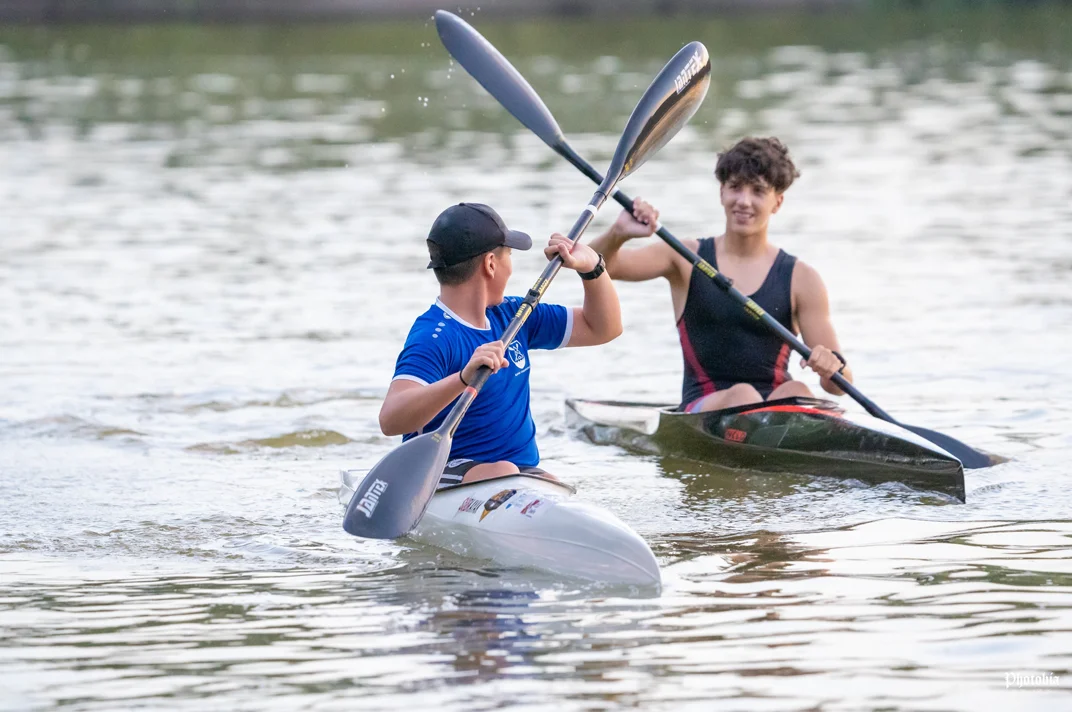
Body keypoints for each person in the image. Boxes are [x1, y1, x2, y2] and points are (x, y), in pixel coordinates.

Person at [588, 136, 853, 412]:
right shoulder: (684, 257)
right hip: (705, 404)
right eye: (735, 188)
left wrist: (833, 367)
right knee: (742, 396)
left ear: (777, 202)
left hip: (779, 408)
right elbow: (597, 264)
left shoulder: (802, 279)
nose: (744, 201)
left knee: (798, 390)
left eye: (758, 191)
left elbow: (839, 386)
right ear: (721, 193)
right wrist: (618, 233)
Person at [379, 202, 621, 487]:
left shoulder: (515, 315)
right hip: (446, 473)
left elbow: (604, 328)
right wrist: (462, 378)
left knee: (550, 482)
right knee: (503, 472)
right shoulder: (435, 336)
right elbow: (391, 420)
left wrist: (592, 268)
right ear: (491, 264)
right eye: (509, 255)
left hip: (518, 476)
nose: (511, 266)